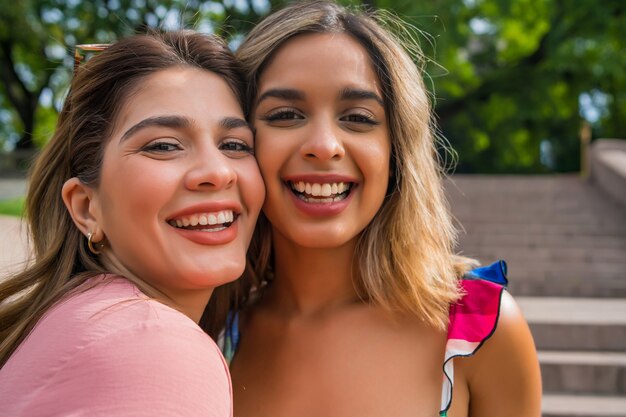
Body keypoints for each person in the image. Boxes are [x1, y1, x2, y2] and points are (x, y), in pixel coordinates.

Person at [211, 1, 542, 416]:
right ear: (238, 142)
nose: (324, 146)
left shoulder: (482, 327)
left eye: (358, 118)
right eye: (286, 115)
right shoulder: (210, 331)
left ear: (396, 152)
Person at [0, 30, 264, 416]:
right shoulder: (153, 344)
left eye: (235, 145)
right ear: (87, 207)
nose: (217, 171)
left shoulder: (81, 321)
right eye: (164, 145)